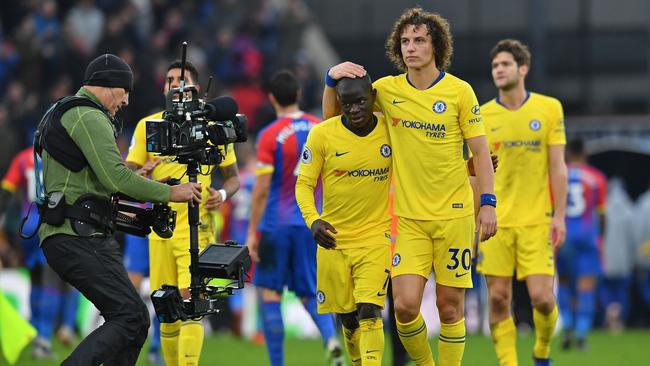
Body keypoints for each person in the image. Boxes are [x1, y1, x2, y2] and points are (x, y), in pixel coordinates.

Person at [324, 8, 497, 366]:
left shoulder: (459, 92)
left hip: (453, 216)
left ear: (437, 46)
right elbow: (333, 121)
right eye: (405, 41)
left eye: (419, 40)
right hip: (408, 220)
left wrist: (488, 203)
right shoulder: (386, 90)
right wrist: (330, 79)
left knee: (449, 308)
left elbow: (480, 151)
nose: (411, 48)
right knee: (403, 307)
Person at [37, 53, 202, 365]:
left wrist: (140, 181)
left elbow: (95, 180)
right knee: (129, 316)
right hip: (79, 235)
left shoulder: (69, 112)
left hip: (72, 231)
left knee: (136, 321)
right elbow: (116, 178)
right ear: (110, 86)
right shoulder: (88, 115)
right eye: (125, 91)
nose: (126, 101)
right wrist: (171, 192)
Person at [126, 60, 240, 366]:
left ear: (195, 88)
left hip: (197, 224)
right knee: (166, 308)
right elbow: (125, 172)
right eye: (169, 80)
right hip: (159, 226)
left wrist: (223, 193)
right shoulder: (148, 125)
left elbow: (233, 177)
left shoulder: (211, 129)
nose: (175, 85)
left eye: (181, 80)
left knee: (193, 302)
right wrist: (143, 172)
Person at [477, 39, 568, 366]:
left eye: (505, 64)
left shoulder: (548, 108)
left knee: (543, 300)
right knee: (499, 298)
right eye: (495, 66)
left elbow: (558, 166)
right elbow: (474, 171)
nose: (498, 70)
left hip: (536, 221)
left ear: (523, 68)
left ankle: (542, 350)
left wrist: (559, 215)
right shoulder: (482, 115)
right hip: (495, 223)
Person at [245, 70, 343, 366]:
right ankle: (331, 341)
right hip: (311, 223)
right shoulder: (320, 127)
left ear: (272, 98)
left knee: (270, 291)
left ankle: (277, 363)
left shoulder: (269, 135)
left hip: (275, 224)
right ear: (299, 94)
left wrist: (252, 233)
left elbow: (261, 189)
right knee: (310, 290)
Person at [296, 74, 391, 366]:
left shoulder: (391, 131)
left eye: (361, 101)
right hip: (334, 239)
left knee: (369, 311)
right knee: (348, 318)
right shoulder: (322, 134)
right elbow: (304, 185)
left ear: (373, 98)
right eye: (346, 103)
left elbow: (424, 163)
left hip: (377, 236)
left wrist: (467, 166)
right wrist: (313, 221)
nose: (354, 109)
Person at [0, 146, 80, 359]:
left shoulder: (23, 157)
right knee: (52, 281)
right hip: (54, 222)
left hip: (28, 223)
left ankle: (35, 333)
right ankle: (45, 339)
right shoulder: (65, 153)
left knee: (35, 279)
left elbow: (6, 190)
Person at [556, 138, 606, 350]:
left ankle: (567, 328)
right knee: (586, 287)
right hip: (587, 237)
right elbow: (602, 214)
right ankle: (582, 336)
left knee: (565, 284)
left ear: (567, 154)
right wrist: (600, 238)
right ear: (585, 153)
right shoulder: (597, 178)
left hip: (563, 236)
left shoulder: (557, 175)